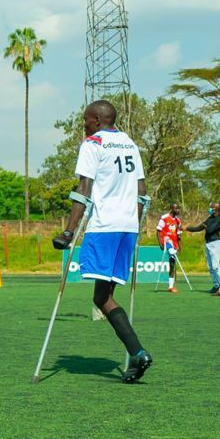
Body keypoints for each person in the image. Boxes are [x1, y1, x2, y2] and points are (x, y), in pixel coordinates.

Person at [52, 100, 152, 383]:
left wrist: (69, 232)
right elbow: (141, 190)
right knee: (104, 295)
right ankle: (136, 353)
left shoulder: (92, 144)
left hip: (104, 227)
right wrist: (134, 222)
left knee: (101, 297)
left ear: (97, 119)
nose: (83, 124)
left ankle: (138, 352)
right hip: (128, 226)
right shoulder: (129, 143)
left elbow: (84, 191)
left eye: (85, 119)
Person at [186, 201, 220, 293]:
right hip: (208, 243)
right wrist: (187, 228)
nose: (210, 209)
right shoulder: (210, 218)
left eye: (211, 207)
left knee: (215, 266)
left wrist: (205, 225)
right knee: (210, 267)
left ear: (215, 209)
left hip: (215, 243)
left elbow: (210, 230)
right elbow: (199, 228)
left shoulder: (219, 219)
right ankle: (216, 285)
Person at [155, 203, 183, 293]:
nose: (178, 210)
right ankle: (171, 250)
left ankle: (171, 286)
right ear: (171, 208)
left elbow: (178, 234)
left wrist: (180, 245)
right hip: (166, 241)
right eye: (176, 208)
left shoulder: (178, 220)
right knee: (171, 249)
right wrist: (160, 243)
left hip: (174, 243)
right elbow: (158, 231)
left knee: (172, 264)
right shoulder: (164, 218)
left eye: (179, 208)